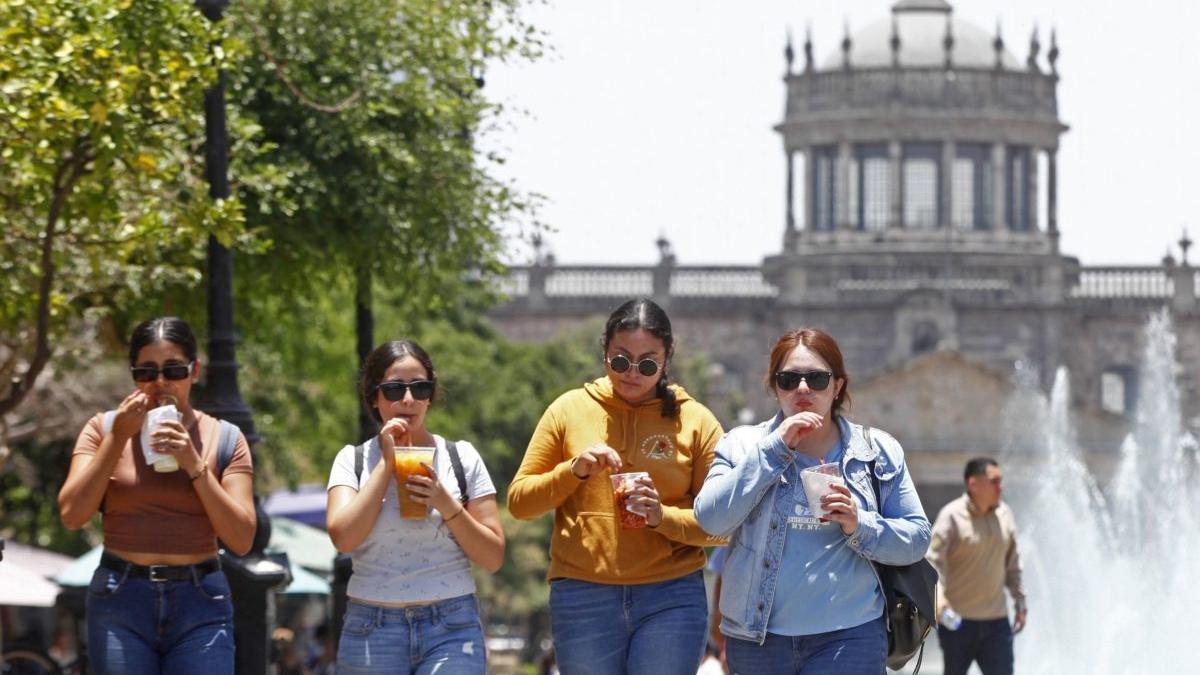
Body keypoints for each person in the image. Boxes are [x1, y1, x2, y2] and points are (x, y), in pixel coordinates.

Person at [694, 327, 931, 675]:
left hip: (850, 637)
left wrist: (858, 522)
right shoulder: (742, 445)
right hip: (759, 640)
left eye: (817, 379)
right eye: (789, 379)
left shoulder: (877, 452)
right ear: (775, 387)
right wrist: (774, 450)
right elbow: (710, 520)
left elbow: (917, 539)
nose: (803, 389)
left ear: (838, 386)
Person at [508, 298, 725, 675]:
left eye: (647, 363)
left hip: (671, 595)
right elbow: (520, 503)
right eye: (620, 360)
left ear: (667, 358)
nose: (632, 373)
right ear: (605, 350)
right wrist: (572, 471)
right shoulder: (569, 409)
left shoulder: (697, 420)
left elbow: (723, 524)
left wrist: (662, 517)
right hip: (583, 594)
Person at [58, 317, 257, 675]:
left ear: (195, 371)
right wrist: (118, 438)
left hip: (201, 601)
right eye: (146, 372)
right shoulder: (102, 429)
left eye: (174, 370)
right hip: (121, 597)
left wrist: (193, 463)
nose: (160, 383)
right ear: (133, 375)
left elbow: (242, 538)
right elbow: (72, 515)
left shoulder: (226, 438)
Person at [326, 339, 504, 674]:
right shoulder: (354, 460)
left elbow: (492, 556)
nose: (408, 400)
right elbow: (343, 538)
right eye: (394, 389)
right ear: (375, 397)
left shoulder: (461, 457)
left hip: (451, 625)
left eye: (419, 388)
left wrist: (443, 500)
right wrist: (386, 465)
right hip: (372, 627)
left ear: (430, 395)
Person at [926, 458, 1026, 675]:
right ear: (973, 484)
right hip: (958, 623)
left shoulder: (1005, 515)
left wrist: (1020, 602)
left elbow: (1013, 565)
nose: (1001, 487)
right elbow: (932, 563)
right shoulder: (951, 516)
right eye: (994, 481)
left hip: (997, 623)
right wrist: (939, 602)